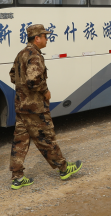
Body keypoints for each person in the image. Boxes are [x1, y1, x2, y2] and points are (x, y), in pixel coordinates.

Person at [9, 24, 82, 190]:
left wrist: (22, 89)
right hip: (35, 107)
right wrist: (45, 91)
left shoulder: (21, 54)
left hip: (21, 106)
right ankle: (64, 169)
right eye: (45, 36)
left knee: (20, 141)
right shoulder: (34, 55)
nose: (47, 39)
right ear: (37, 38)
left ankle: (17, 177)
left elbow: (13, 75)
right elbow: (33, 80)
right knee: (46, 137)